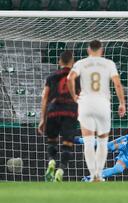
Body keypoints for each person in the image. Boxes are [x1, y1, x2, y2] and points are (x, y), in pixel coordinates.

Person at [67, 40, 126, 182]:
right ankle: (99, 175)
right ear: (101, 51)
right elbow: (117, 84)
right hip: (102, 104)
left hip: (85, 103)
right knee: (102, 142)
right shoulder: (108, 64)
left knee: (88, 142)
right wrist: (122, 103)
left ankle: (93, 174)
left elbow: (70, 78)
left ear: (88, 50)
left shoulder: (81, 63)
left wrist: (73, 95)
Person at [38, 51, 79, 182]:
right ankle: (60, 170)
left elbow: (44, 98)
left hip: (53, 111)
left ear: (59, 62)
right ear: (72, 63)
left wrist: (42, 119)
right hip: (70, 112)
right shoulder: (77, 78)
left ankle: (51, 162)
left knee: (52, 140)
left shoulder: (51, 77)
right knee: (67, 144)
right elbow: (81, 97)